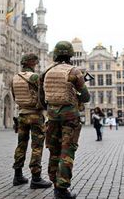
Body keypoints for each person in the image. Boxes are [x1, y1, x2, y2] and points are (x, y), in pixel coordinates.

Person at [42, 41, 90, 199]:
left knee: (54, 149)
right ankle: (62, 189)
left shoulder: (46, 72)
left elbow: (41, 98)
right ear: (70, 55)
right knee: (67, 150)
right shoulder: (74, 71)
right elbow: (85, 96)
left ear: (55, 54)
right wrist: (75, 95)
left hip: (52, 116)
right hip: (69, 117)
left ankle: (55, 182)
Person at [11, 53, 52, 189]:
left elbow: (13, 96)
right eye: (36, 61)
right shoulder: (34, 77)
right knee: (37, 146)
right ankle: (36, 178)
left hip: (22, 114)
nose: (37, 63)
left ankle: (18, 176)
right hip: (35, 115)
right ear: (31, 63)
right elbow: (44, 93)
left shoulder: (15, 78)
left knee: (21, 145)